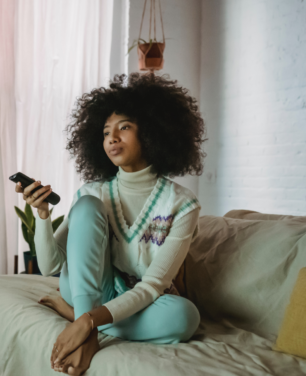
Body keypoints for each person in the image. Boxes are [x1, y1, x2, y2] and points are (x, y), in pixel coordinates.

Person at [14, 72, 207, 375]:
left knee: (185, 317)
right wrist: (42, 216)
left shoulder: (182, 204)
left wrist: (88, 320)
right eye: (105, 132)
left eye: (124, 127)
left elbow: (154, 285)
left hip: (140, 299)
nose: (112, 138)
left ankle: (77, 317)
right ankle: (86, 322)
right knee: (89, 207)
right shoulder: (92, 192)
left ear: (153, 132)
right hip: (88, 289)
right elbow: (50, 266)